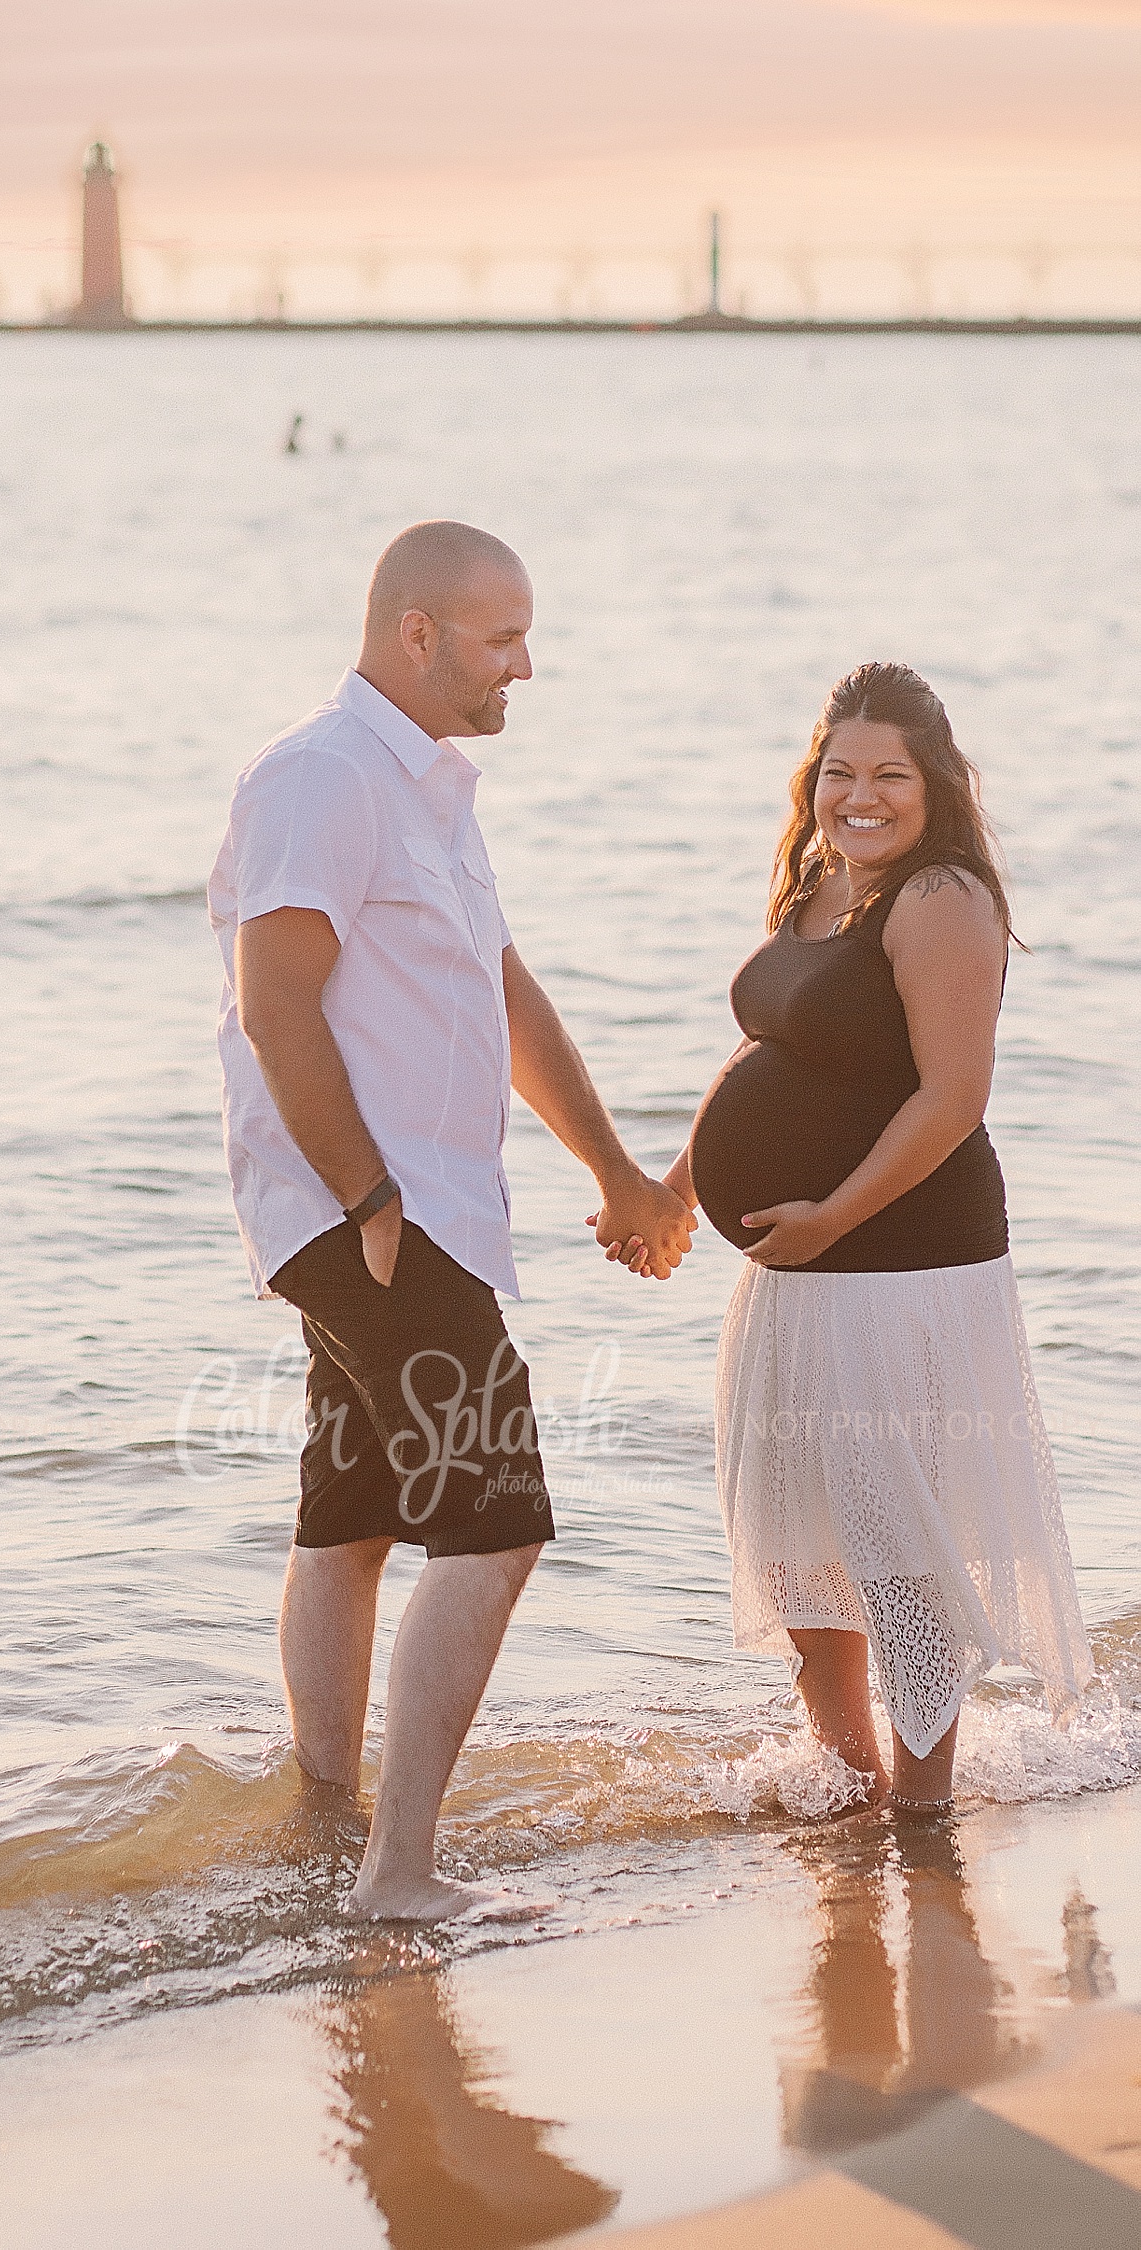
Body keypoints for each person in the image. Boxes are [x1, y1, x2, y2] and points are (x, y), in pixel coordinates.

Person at [208, 519, 695, 1919]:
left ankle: (325, 1829)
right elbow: (275, 1003)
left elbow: (499, 991)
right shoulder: (319, 775)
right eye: (503, 637)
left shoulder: (430, 792)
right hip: (371, 1209)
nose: (525, 665)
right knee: (497, 1524)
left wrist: (614, 1173)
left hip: (412, 1210)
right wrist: (367, 1195)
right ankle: (400, 1874)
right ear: (415, 634)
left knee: (353, 1515)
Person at [618, 663, 1091, 1815]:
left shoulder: (940, 899)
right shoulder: (819, 885)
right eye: (840, 773)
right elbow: (768, 1057)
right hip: (799, 1276)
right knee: (803, 1548)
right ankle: (846, 1785)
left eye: (890, 774)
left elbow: (951, 1099)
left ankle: (921, 1813)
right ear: (813, 782)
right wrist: (680, 1187)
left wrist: (830, 1214)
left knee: (893, 1547)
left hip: (901, 1269)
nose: (861, 797)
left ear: (935, 784)